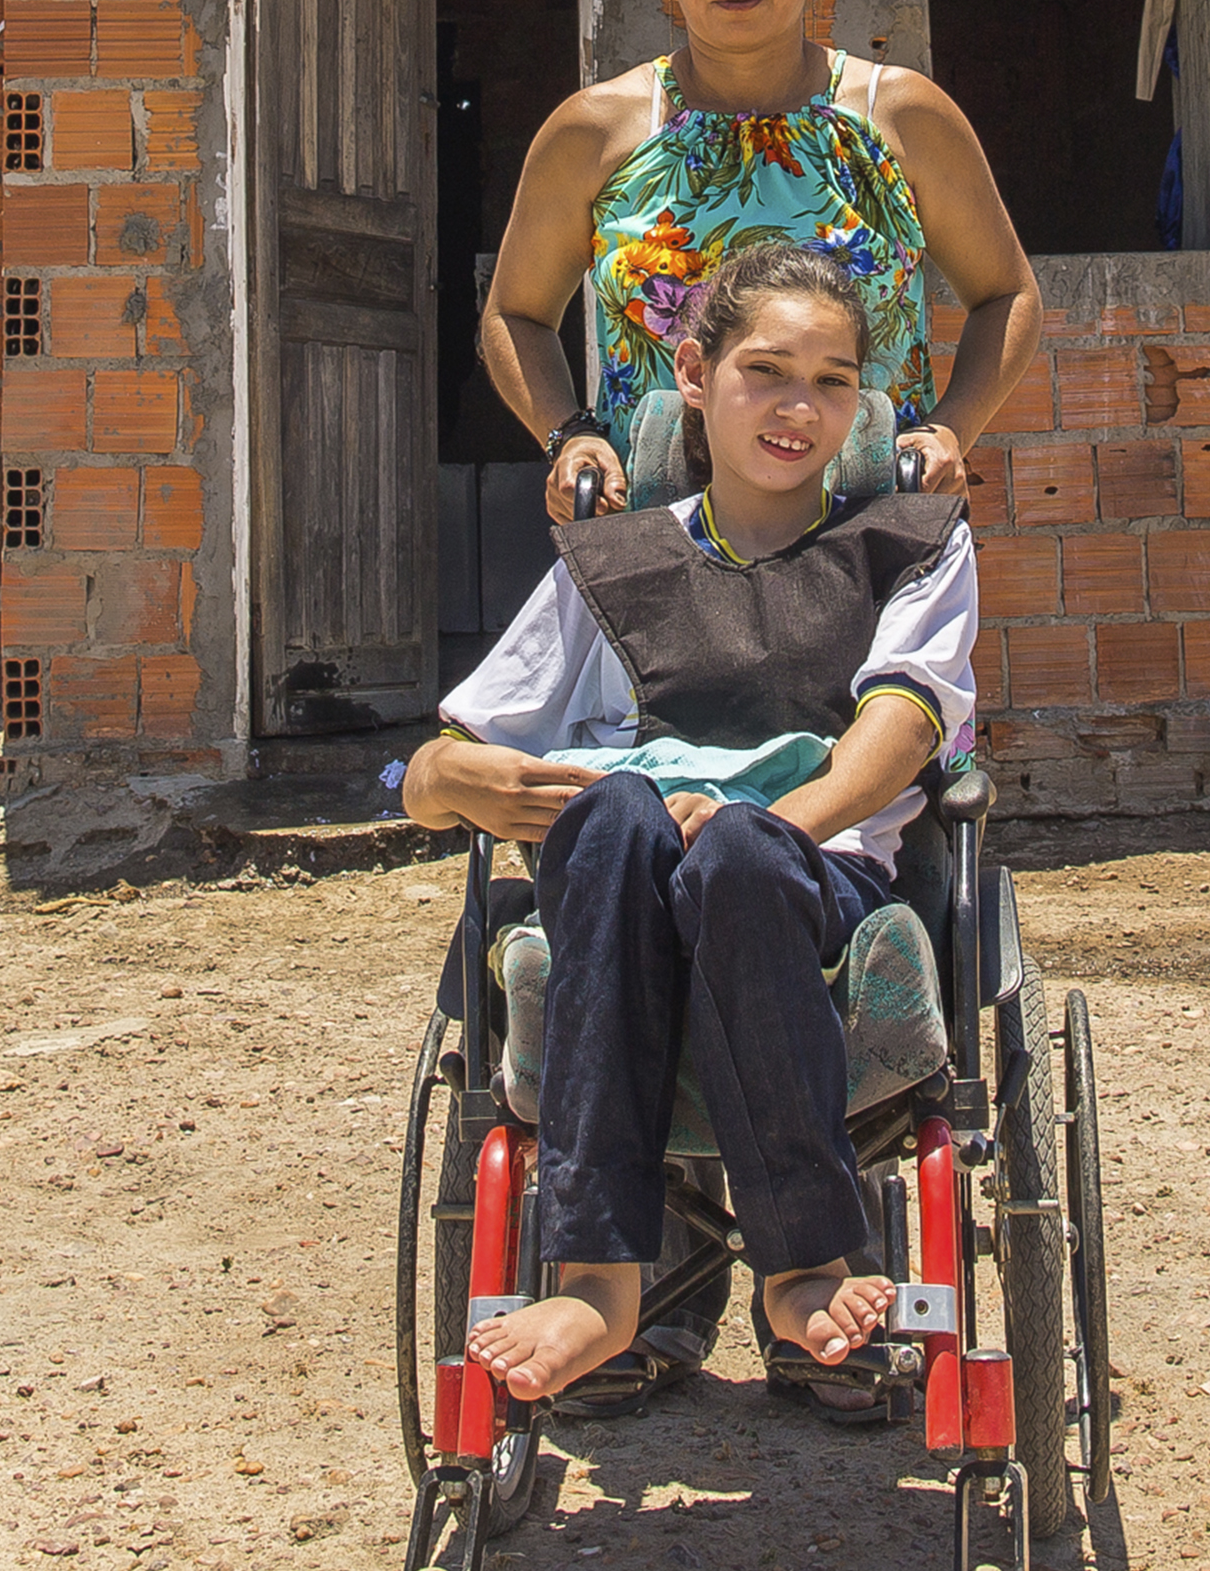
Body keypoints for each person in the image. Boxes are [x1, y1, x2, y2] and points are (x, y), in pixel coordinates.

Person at [400, 241, 981, 1411]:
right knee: (613, 813)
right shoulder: (612, 564)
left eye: (830, 383)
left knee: (738, 852)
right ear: (694, 376)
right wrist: (451, 779)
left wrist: (747, 819)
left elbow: (900, 733)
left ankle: (804, 1265)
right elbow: (439, 763)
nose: (797, 407)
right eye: (766, 371)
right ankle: (595, 1283)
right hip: (626, 891)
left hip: (805, 883)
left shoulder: (912, 545)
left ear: (859, 406)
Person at [477, 0, 1038, 523]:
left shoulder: (901, 117)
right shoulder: (595, 132)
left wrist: (950, 430)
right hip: (654, 530)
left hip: (873, 525)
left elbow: (1007, 294)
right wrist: (569, 436)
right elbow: (516, 314)